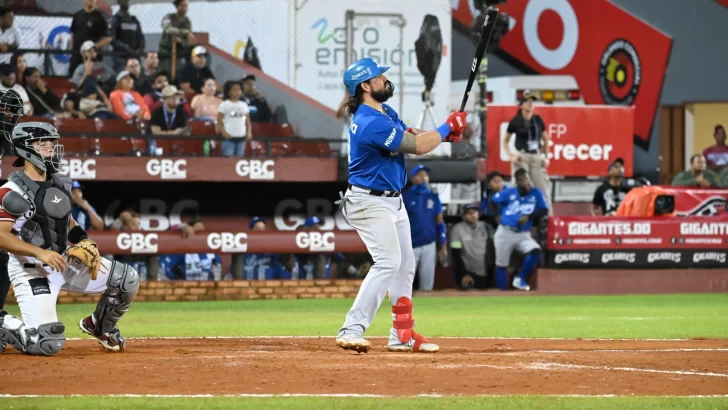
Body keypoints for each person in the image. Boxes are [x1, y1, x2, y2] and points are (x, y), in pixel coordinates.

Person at [334, 57, 467, 354]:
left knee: (406, 265)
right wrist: (446, 127)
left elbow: (414, 135)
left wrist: (444, 136)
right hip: (369, 201)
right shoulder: (370, 122)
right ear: (364, 86)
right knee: (389, 262)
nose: (384, 79)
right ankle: (351, 328)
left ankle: (402, 334)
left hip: (392, 200)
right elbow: (417, 147)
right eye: (378, 77)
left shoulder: (384, 111)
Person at [0, 121, 139, 355]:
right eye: (42, 143)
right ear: (25, 148)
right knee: (46, 343)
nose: (50, 148)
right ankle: (3, 323)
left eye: (51, 143)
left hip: (63, 260)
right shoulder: (10, 191)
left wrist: (84, 240)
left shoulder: (61, 182)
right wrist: (40, 252)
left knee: (126, 280)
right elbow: (1, 236)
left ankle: (99, 326)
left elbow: (66, 220)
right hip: (32, 269)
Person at [490, 168, 549, 291]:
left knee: (536, 252)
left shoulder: (536, 192)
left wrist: (529, 216)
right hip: (505, 231)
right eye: (522, 180)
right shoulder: (509, 192)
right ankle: (503, 293)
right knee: (502, 265)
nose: (526, 183)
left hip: (523, 233)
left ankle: (520, 278)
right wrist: (496, 214)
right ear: (517, 182)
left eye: (527, 179)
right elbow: (493, 199)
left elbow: (544, 210)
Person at [502, 92, 551, 211]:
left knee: (541, 187)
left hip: (536, 155)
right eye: (527, 102)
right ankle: (513, 212)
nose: (530, 104)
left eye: (532, 102)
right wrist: (511, 156)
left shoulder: (538, 120)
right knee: (518, 184)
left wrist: (546, 157)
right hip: (521, 156)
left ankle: (547, 217)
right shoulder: (516, 121)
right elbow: (505, 141)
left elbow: (546, 139)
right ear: (521, 105)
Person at [402, 164, 447, 292]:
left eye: (426, 174)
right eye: (421, 175)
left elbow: (440, 221)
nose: (425, 177)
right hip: (410, 244)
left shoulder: (433, 196)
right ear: (413, 178)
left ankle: (426, 308)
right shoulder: (405, 196)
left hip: (429, 243)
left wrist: (443, 245)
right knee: (405, 279)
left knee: (427, 281)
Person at [0, 89, 23, 325]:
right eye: (3, 110)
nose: (7, 115)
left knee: (2, 255)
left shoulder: (5, 140)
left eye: (10, 111)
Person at [450, 205, 488, 290]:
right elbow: (455, 253)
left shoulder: (485, 226)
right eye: (469, 213)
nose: (473, 215)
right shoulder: (457, 228)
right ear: (463, 216)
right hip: (466, 271)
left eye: (474, 212)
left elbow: (490, 250)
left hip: (482, 271)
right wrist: (464, 274)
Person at [217, 80, 252, 157]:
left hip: (241, 138)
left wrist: (248, 132)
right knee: (228, 159)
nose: (237, 92)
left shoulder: (244, 105)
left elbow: (247, 122)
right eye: (234, 89)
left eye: (239, 89)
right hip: (229, 138)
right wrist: (224, 133)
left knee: (239, 159)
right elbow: (219, 122)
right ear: (228, 92)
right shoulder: (224, 104)